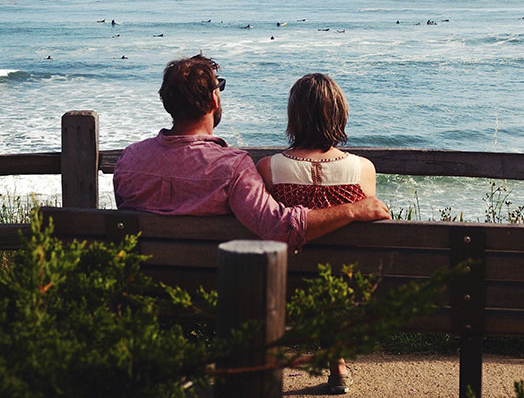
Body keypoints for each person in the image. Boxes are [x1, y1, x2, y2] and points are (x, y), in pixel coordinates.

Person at [113, 55, 389, 254]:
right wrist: (353, 209)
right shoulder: (233, 168)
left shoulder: (129, 160)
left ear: (167, 102)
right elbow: (280, 229)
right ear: (214, 99)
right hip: (215, 289)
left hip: (142, 287)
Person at [256, 73, 377, 394]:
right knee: (338, 272)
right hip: (345, 289)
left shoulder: (269, 168)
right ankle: (337, 360)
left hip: (284, 285)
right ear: (340, 113)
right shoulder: (363, 169)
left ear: (293, 117)